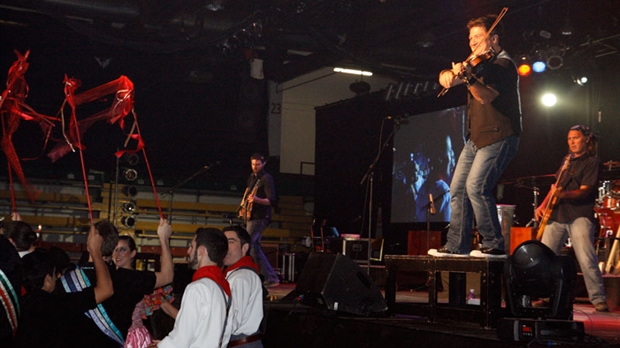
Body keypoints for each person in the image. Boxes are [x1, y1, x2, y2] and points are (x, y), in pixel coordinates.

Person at [429, 14, 521, 258]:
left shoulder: (504, 65)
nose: (472, 43)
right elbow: (448, 80)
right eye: (470, 38)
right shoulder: (479, 64)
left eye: (478, 37)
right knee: (456, 189)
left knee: (476, 187)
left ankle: (493, 244)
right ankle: (456, 246)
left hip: (500, 135)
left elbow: (486, 96)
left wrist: (467, 76)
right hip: (477, 138)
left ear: (493, 39)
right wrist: (447, 75)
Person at [58, 218, 174, 348]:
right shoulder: (128, 278)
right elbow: (167, 276)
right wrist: (164, 238)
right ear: (114, 248)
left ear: (89, 243)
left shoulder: (64, 282)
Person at [535, 125, 608, 312]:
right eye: (569, 139)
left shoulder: (592, 162)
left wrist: (562, 195)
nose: (572, 142)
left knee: (586, 257)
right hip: (557, 215)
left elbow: (584, 192)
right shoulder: (566, 160)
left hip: (579, 215)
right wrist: (543, 206)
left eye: (575, 138)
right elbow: (556, 187)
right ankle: (544, 296)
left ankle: (598, 299)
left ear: (586, 140)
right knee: (545, 256)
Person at [14, 224, 114, 347]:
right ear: (47, 279)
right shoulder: (57, 303)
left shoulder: (18, 304)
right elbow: (106, 290)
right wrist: (95, 251)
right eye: (54, 274)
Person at [150, 227, 230, 348]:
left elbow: (180, 341)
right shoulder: (222, 287)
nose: (188, 251)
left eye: (192, 246)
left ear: (201, 251)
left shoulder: (198, 288)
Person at [239, 153, 279, 287]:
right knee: (255, 247)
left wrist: (257, 200)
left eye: (257, 164)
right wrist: (243, 207)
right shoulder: (252, 178)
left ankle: (253, 275)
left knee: (247, 243)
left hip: (260, 216)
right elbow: (247, 194)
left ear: (264, 164)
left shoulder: (267, 179)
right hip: (252, 215)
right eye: (253, 164)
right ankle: (270, 277)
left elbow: (272, 200)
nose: (255, 167)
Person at [222, 226, 264, 348]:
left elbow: (232, 322)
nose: (225, 247)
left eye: (231, 242)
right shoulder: (237, 274)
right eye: (223, 242)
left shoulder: (241, 277)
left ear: (245, 248)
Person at [112, 235, 153, 348]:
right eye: (115, 249)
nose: (117, 253)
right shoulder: (110, 278)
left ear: (133, 253)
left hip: (134, 337)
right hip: (115, 334)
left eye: (122, 249)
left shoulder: (140, 279)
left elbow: (165, 306)